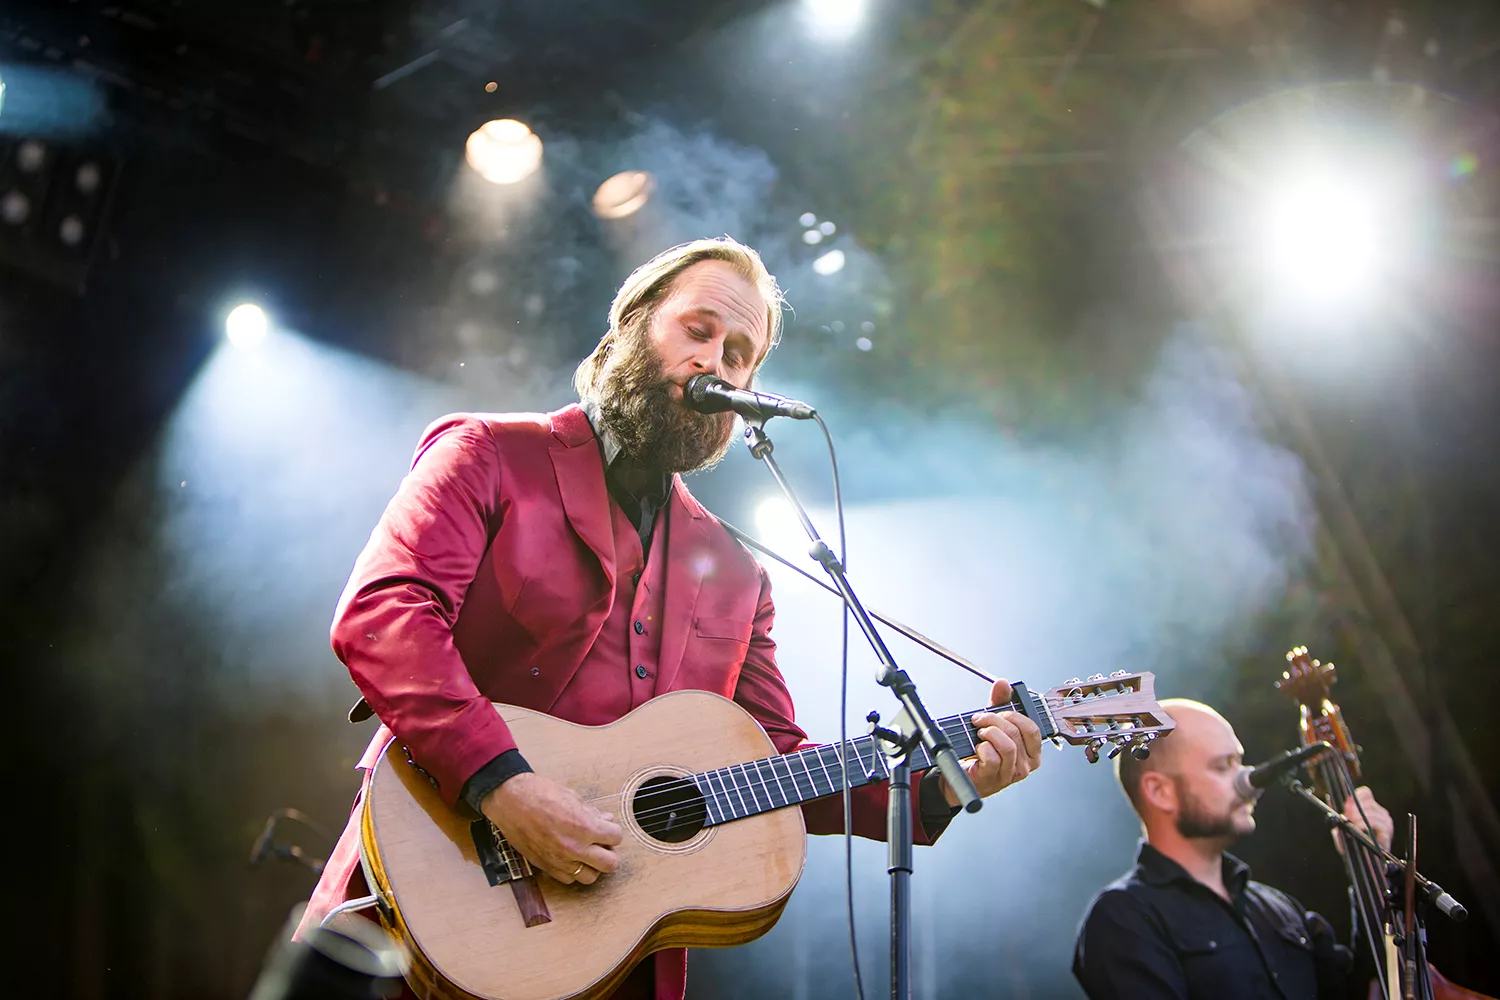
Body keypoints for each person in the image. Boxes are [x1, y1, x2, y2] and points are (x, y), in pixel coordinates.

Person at [296, 237, 1045, 1000]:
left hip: (609, 960)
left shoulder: (739, 576)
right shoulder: (488, 454)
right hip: (419, 908)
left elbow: (775, 760)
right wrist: (504, 785)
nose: (715, 360)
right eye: (698, 330)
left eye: (739, 354)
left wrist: (936, 785)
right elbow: (384, 611)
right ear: (631, 325)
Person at [1072, 698, 1394, 1000]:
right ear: (1160, 792)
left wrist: (1371, 866)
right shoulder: (1123, 918)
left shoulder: (1277, 907)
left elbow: (1364, 988)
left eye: (1239, 761)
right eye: (1222, 766)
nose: (1247, 779)